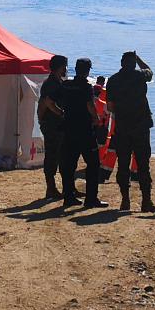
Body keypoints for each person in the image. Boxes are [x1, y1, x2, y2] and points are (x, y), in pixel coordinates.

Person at [103, 51, 155, 212]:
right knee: (143, 165)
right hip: (141, 126)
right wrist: (138, 57)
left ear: (121, 63)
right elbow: (150, 71)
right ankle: (146, 202)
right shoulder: (140, 76)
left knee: (123, 164)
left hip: (123, 127)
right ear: (133, 64)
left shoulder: (113, 80)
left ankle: (125, 200)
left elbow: (110, 106)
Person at [58, 57, 102, 207]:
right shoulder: (86, 86)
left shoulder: (66, 85)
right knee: (93, 164)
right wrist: (96, 120)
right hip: (84, 130)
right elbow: (90, 106)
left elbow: (59, 102)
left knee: (69, 164)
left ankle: (68, 197)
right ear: (88, 70)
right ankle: (91, 199)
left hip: (69, 128)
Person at [37, 54, 69, 199]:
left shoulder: (53, 82)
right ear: (61, 67)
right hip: (53, 125)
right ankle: (51, 188)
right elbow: (47, 102)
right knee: (53, 156)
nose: (66, 69)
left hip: (52, 124)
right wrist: (61, 113)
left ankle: (57, 188)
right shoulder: (52, 83)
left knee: (58, 156)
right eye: (65, 66)